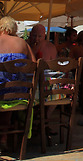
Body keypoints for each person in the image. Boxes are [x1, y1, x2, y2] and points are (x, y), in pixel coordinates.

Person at [0, 17, 36, 149]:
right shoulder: (22, 43)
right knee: (11, 88)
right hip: (20, 94)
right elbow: (34, 66)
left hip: (1, 93)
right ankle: (4, 135)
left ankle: (3, 134)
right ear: (14, 29)